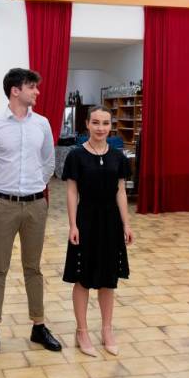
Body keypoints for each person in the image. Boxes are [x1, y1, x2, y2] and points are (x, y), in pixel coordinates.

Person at [0, 68, 61, 357]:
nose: (37, 92)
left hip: (36, 205)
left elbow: (49, 162)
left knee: (33, 268)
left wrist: (36, 187)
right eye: (31, 87)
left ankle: (39, 325)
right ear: (15, 90)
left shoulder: (42, 124)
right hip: (4, 207)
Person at [62, 106, 133, 357]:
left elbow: (120, 191)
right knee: (82, 277)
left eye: (105, 123)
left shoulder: (118, 157)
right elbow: (72, 192)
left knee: (108, 278)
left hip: (111, 221)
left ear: (111, 126)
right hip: (86, 220)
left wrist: (126, 224)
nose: (100, 128)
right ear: (87, 124)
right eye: (95, 122)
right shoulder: (76, 156)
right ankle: (82, 331)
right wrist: (73, 224)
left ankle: (106, 330)